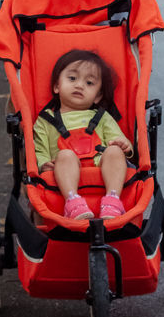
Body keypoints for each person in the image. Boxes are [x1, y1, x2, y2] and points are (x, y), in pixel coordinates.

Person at [33, 49, 133, 221]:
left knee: (115, 151)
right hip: (64, 173)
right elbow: (39, 150)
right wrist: (43, 164)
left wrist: (125, 145)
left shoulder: (102, 117)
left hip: (101, 169)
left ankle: (112, 200)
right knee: (64, 155)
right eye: (72, 79)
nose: (79, 85)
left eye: (89, 83)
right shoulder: (45, 120)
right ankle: (72, 202)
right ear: (57, 86)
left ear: (97, 96)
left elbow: (120, 140)